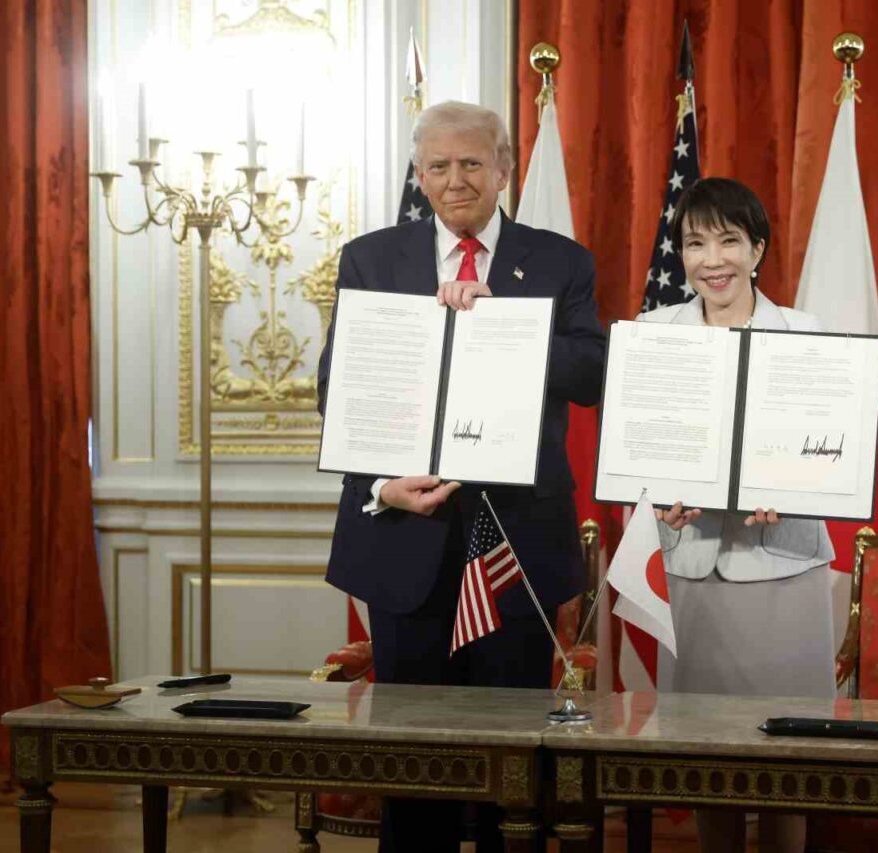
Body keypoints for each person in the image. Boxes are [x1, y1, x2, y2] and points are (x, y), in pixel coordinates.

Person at [316, 100, 606, 852]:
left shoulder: (560, 261)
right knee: (416, 766)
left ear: (504, 169)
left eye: (472, 163)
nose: (455, 180)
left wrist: (504, 323)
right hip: (404, 541)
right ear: (418, 176)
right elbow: (338, 389)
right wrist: (380, 486)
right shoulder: (371, 259)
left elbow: (591, 373)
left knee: (514, 768)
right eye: (438, 166)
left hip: (516, 546)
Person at [636, 177, 836, 853]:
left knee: (788, 755)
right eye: (695, 244)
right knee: (705, 755)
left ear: (758, 249)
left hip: (784, 567)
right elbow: (640, 448)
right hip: (691, 565)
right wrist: (657, 494)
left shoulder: (807, 335)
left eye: (728, 240)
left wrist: (796, 484)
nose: (712, 260)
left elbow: (831, 452)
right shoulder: (652, 334)